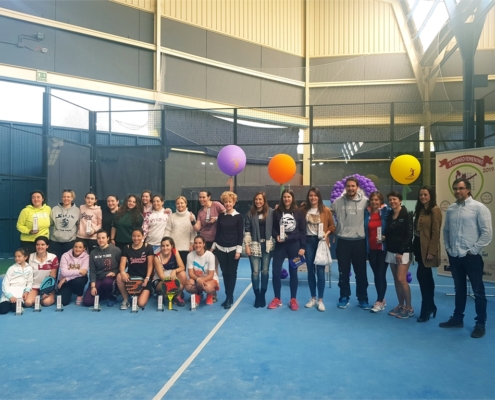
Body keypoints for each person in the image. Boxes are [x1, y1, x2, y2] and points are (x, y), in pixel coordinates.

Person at [440, 178, 493, 338]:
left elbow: (487, 233)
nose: (457, 191)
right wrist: (449, 249)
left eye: (461, 188)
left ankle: (480, 324)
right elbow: (446, 231)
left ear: (468, 190)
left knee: (478, 291)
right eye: (455, 189)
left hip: (471, 257)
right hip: (455, 256)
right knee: (459, 289)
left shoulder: (479, 208)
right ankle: (457, 319)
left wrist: (473, 250)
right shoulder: (450, 209)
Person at [331, 177, 370, 310]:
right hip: (343, 242)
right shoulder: (338, 202)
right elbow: (325, 212)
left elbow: (379, 209)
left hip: (359, 242)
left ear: (357, 187)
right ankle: (344, 296)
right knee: (343, 272)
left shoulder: (365, 202)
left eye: (353, 186)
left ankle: (363, 298)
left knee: (361, 273)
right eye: (348, 186)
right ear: (345, 188)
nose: (350, 188)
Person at [268, 189, 306, 311]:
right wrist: (276, 236)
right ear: (282, 198)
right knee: (275, 271)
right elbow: (273, 228)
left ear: (292, 198)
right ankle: (277, 298)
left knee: (293, 272)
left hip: (294, 246)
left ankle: (293, 299)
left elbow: (302, 230)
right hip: (280, 246)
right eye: (284, 197)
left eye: (289, 197)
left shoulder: (298, 212)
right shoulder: (277, 212)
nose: (286, 199)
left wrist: (302, 247)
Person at [301, 187, 335, 312]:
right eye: (311, 195)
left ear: (319, 197)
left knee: (320, 272)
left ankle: (320, 300)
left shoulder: (326, 210)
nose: (313, 197)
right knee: (310, 271)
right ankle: (313, 298)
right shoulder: (304, 210)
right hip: (308, 242)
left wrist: (326, 235)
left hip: (321, 242)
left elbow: (332, 226)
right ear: (308, 197)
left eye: (315, 195)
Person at [413, 186, 442, 322]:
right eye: (421, 195)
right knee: (427, 278)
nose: (423, 197)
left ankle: (426, 309)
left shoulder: (435, 211)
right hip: (418, 245)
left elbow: (436, 233)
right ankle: (431, 305)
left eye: (425, 194)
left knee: (423, 277)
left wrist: (432, 251)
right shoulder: (420, 209)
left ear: (431, 196)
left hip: (427, 249)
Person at [213, 191, 244, 309]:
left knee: (232, 273)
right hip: (221, 248)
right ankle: (228, 296)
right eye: (225, 202)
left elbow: (240, 235)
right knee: (225, 273)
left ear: (234, 202)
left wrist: (238, 251)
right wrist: (213, 247)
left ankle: (230, 296)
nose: (227, 204)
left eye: (230, 202)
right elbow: (218, 232)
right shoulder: (221, 216)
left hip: (233, 250)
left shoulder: (239, 217)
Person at [385, 191, 414, 319]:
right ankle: (401, 305)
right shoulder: (389, 214)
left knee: (402, 279)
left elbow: (409, 235)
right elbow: (389, 233)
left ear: (400, 200)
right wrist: (383, 237)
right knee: (396, 280)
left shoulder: (407, 215)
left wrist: (401, 252)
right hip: (391, 251)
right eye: (390, 199)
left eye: (394, 199)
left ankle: (409, 307)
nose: (392, 201)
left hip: (404, 252)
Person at [244, 191, 275, 308]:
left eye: (260, 199)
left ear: (264, 200)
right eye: (256, 199)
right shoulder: (250, 214)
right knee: (255, 272)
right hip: (254, 245)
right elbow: (247, 230)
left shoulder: (271, 212)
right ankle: (257, 296)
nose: (258, 201)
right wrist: (247, 246)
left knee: (265, 271)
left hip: (267, 245)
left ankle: (263, 295)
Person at [364, 191, 390, 313]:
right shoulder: (367, 213)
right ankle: (381, 299)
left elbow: (391, 227)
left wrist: (386, 237)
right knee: (376, 275)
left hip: (382, 249)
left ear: (380, 201)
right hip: (371, 249)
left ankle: (380, 301)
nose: (374, 202)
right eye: (372, 199)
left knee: (380, 274)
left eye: (376, 200)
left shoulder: (386, 212)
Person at [116, 228, 154, 310]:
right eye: (134, 236)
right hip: (131, 277)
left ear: (143, 236)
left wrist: (147, 278)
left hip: (144, 278)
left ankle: (147, 291)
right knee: (119, 276)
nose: (136, 238)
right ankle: (126, 299)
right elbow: (122, 264)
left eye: (138, 236)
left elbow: (150, 265)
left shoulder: (148, 247)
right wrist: (122, 272)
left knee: (141, 303)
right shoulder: (127, 247)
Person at [82, 229, 121, 307]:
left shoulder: (116, 250)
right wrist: (93, 286)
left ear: (108, 238)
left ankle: (112, 297)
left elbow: (123, 265)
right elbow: (92, 271)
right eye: (99, 238)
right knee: (87, 302)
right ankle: (103, 293)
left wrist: (115, 272)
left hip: (110, 278)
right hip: (98, 278)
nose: (101, 240)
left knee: (107, 283)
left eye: (103, 238)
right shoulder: (93, 253)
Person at [153, 236, 188, 307]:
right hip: (160, 280)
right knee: (171, 286)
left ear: (172, 246)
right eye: (163, 246)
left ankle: (178, 296)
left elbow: (182, 267)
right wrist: (176, 284)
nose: (165, 248)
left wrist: (175, 271)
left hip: (172, 276)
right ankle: (160, 293)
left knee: (183, 274)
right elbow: (162, 277)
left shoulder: (175, 251)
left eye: (167, 245)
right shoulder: (156, 257)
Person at [185, 236, 219, 306]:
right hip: (197, 279)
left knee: (208, 288)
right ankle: (198, 294)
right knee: (188, 286)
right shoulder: (190, 255)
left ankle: (212, 293)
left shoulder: (210, 255)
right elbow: (190, 273)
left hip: (210, 279)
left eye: (200, 243)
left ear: (204, 244)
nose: (198, 245)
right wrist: (198, 279)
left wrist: (200, 281)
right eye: (196, 243)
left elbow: (211, 275)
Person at [26, 236, 59, 307]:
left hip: (47, 287)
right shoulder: (30, 257)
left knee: (46, 303)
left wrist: (47, 291)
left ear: (47, 246)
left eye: (42, 245)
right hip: (34, 286)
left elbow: (52, 277)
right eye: (37, 245)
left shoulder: (53, 257)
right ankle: (36, 296)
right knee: (28, 303)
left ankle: (46, 296)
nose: (40, 247)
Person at [50, 189, 80, 261]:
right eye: (64, 197)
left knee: (68, 262)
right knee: (56, 263)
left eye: (68, 197)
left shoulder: (77, 210)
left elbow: (78, 225)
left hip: (70, 241)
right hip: (55, 241)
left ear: (72, 198)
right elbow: (51, 223)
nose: (66, 198)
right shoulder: (55, 209)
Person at [164, 196, 196, 263]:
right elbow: (167, 231)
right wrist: (166, 244)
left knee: (184, 270)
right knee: (174, 269)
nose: (180, 205)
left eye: (182, 203)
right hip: (174, 248)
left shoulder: (191, 216)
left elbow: (193, 232)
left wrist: (192, 244)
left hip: (186, 248)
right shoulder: (172, 216)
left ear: (186, 203)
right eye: (178, 203)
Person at [0, 248, 33, 315]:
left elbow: (30, 282)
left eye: (19, 256)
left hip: (20, 295)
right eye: (15, 256)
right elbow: (5, 283)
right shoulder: (11, 269)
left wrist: (26, 292)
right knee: (3, 310)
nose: (17, 258)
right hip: (9, 294)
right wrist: (10, 296)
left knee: (15, 308)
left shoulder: (29, 268)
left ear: (26, 257)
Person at [57, 239, 89, 306]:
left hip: (72, 280)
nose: (77, 249)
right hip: (65, 282)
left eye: (80, 247)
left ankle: (79, 295)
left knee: (79, 280)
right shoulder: (65, 256)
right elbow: (63, 273)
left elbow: (84, 273)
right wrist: (79, 271)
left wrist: (66, 278)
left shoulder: (87, 257)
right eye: (76, 247)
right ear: (73, 247)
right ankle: (70, 290)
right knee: (63, 302)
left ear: (84, 249)